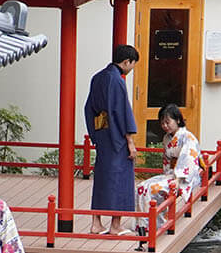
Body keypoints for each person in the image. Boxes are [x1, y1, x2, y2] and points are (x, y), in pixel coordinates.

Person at [84, 44, 140, 235]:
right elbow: (122, 112)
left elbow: (89, 108)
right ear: (126, 62)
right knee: (121, 179)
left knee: (102, 177)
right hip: (117, 138)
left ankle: (96, 223)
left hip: (102, 134)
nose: (131, 68)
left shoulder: (97, 77)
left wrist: (95, 134)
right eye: (132, 64)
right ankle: (115, 226)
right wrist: (130, 142)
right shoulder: (117, 80)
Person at [133, 104, 201, 241]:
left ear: (178, 121)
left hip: (184, 176)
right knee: (141, 187)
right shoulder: (167, 138)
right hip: (171, 173)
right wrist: (168, 175)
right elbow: (167, 161)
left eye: (168, 122)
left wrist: (178, 178)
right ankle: (143, 225)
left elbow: (188, 159)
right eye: (162, 123)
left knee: (152, 189)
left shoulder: (188, 137)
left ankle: (155, 225)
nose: (165, 125)